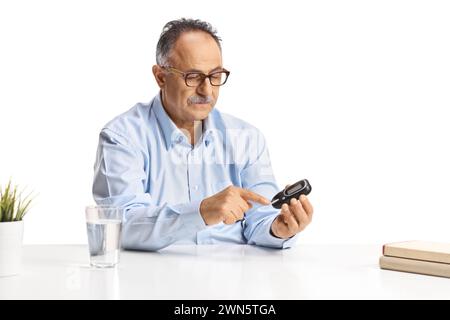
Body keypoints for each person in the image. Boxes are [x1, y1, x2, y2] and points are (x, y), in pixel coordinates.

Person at [92, 18, 313, 251]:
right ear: (160, 76)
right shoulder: (122, 136)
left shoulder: (247, 138)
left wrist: (277, 229)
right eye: (193, 76)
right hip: (153, 280)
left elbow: (262, 215)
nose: (206, 90)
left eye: (215, 76)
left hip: (235, 278)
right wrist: (200, 212)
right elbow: (122, 225)